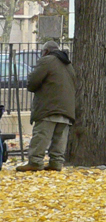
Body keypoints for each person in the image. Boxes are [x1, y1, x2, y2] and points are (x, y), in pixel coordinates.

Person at [17, 40, 76, 172]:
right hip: (67, 108)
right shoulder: (68, 64)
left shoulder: (47, 61)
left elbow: (32, 83)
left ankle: (35, 162)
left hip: (49, 107)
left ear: (46, 51)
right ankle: (56, 163)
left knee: (42, 136)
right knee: (60, 138)